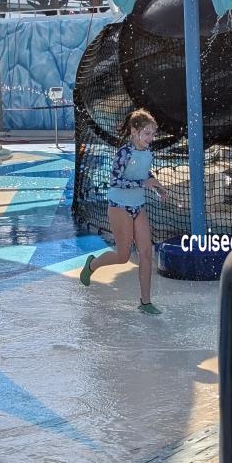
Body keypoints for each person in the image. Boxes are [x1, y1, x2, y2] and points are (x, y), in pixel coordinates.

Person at [80, 108, 167, 314]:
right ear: (134, 132)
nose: (151, 138)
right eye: (147, 133)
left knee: (146, 253)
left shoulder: (147, 153)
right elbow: (115, 181)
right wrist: (143, 183)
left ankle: (145, 302)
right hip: (119, 207)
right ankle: (92, 265)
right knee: (123, 256)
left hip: (138, 206)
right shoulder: (124, 152)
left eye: (153, 134)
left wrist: (157, 187)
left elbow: (143, 173)